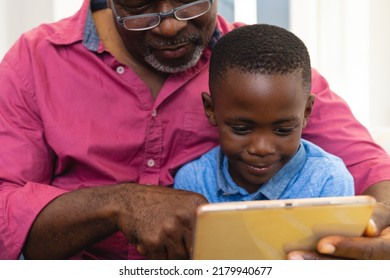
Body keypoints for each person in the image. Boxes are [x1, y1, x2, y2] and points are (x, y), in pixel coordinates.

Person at [0, 0, 390, 260]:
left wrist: (379, 233)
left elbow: (376, 173)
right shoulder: (35, 62)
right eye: (141, 7)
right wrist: (120, 203)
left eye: (191, 1)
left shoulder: (260, 67)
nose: (170, 26)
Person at [174, 23, 354, 202]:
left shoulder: (328, 182)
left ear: (306, 112)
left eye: (283, 130)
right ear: (211, 110)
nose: (261, 148)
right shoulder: (194, 183)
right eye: (241, 129)